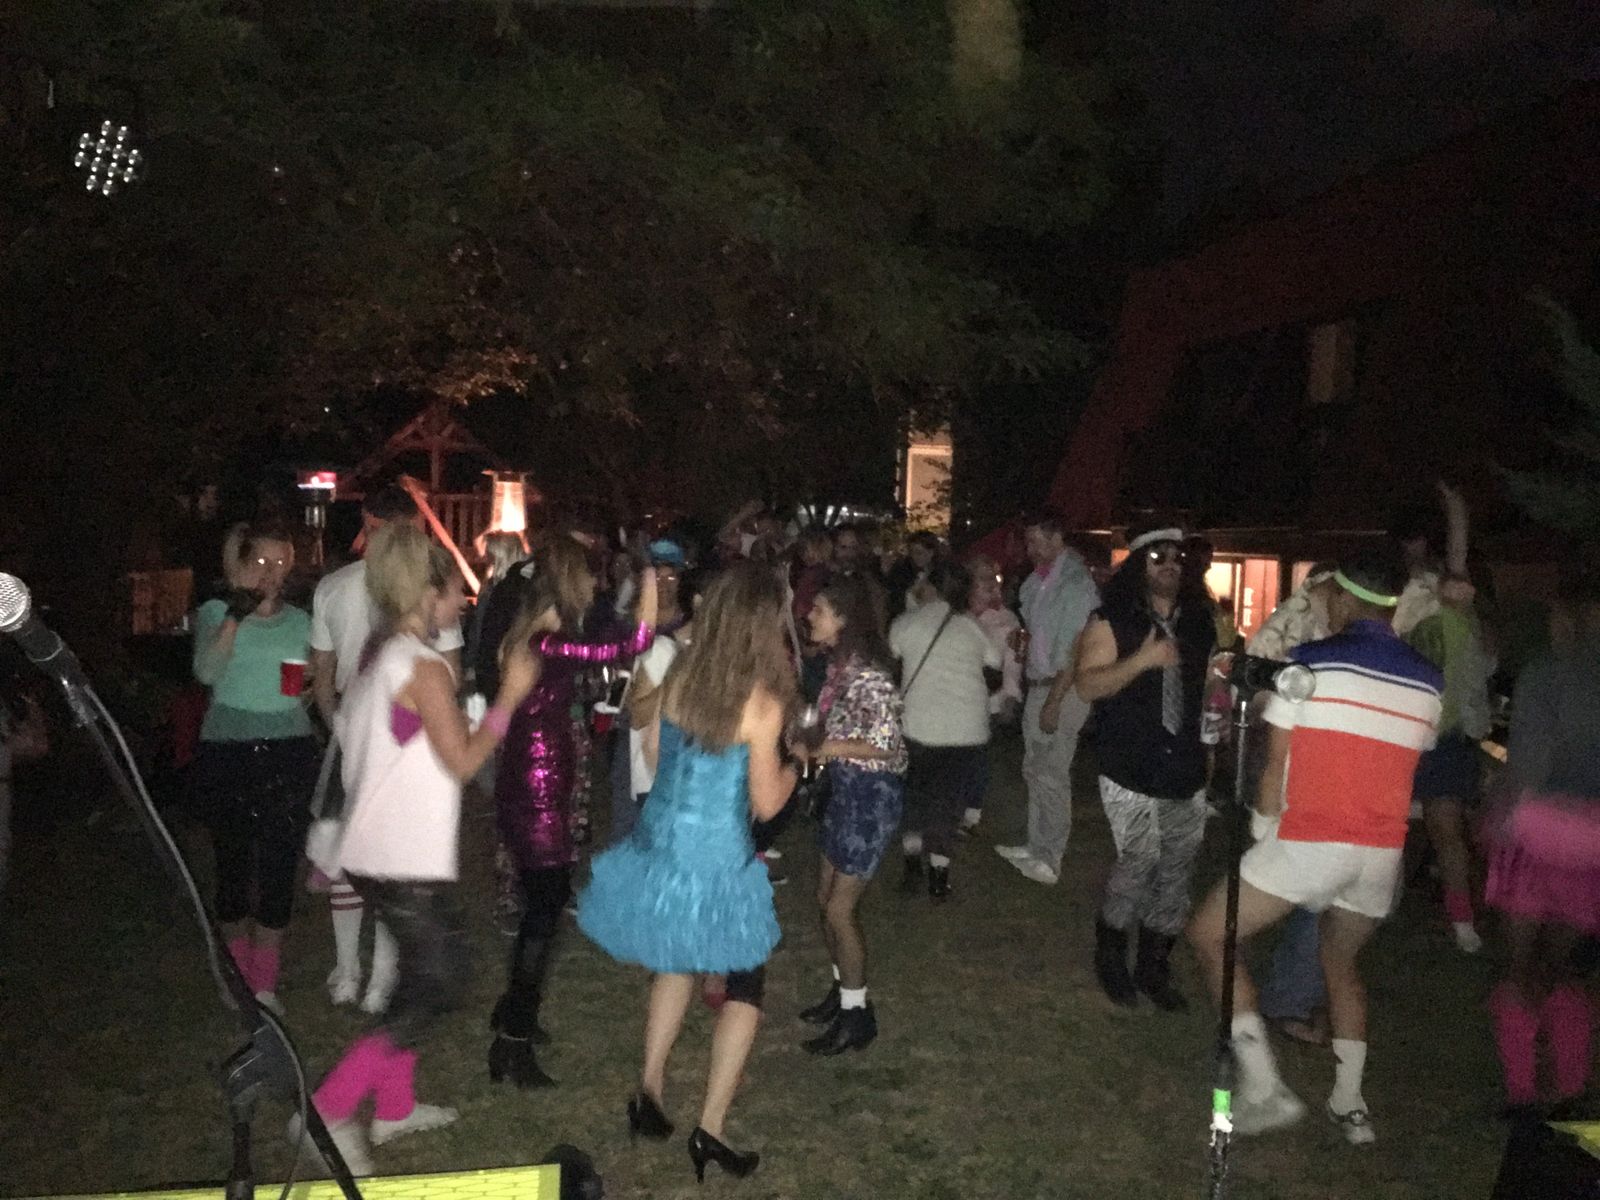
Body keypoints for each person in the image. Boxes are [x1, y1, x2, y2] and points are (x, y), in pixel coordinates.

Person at [295, 522, 536, 1175]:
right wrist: (510, 698)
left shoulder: (385, 656)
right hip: (397, 853)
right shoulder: (422, 668)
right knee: (438, 981)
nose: (461, 602)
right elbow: (463, 761)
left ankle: (395, 1106)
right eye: (455, 591)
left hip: (378, 848)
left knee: (419, 977)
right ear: (428, 594)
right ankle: (328, 1107)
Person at [1187, 546, 1442, 1145]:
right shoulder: (1429, 679)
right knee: (1341, 963)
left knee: (1209, 935)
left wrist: (1261, 831)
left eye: (1327, 594)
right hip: (1381, 852)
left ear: (1346, 597)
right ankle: (1351, 1105)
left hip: (1315, 838)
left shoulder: (1308, 664)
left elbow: (1275, 765)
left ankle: (1263, 1088)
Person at [576, 563, 797, 1183]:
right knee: (746, 981)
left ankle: (648, 1092)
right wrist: (798, 767)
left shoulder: (680, 674)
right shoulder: (761, 701)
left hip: (663, 842)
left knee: (675, 960)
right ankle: (712, 1128)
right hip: (716, 857)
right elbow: (768, 803)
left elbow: (651, 753)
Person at [488, 537, 657, 1088]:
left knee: (542, 906)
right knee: (545, 908)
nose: (594, 584)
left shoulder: (540, 635)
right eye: (587, 575)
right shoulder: (546, 643)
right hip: (537, 787)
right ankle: (512, 1042)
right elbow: (636, 641)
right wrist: (650, 578)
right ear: (568, 580)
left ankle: (513, 1014)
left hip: (537, 781)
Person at [310, 486, 465, 1011]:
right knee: (387, 865)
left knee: (357, 856)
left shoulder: (335, 586)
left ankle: (351, 973)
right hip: (402, 749)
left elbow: (323, 677)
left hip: (359, 740)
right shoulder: (421, 594)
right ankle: (374, 979)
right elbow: (449, 676)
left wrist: (341, 728)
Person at [1074, 524, 1216, 1011]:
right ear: (1138, 563)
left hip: (1185, 764)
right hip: (1129, 763)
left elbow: (1207, 686)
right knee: (1138, 861)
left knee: (1177, 869)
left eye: (1177, 556)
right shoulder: (1110, 620)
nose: (1170, 564)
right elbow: (1087, 686)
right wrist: (1142, 660)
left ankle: (1154, 965)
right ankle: (1111, 955)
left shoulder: (1199, 621)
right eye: (1158, 556)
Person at [1485, 556, 1600, 1120]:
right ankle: (1571, 1084)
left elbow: (1530, 761)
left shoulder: (1548, 673)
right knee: (1565, 967)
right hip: (1595, 841)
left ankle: (1524, 1091)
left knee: (1519, 967)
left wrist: (1497, 813)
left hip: (1537, 833)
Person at [191, 522, 318, 1014]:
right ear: (239, 564)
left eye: (281, 562)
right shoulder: (215, 611)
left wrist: (309, 684)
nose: (272, 573)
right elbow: (207, 672)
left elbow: (300, 684)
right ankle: (237, 977)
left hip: (287, 746)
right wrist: (236, 616)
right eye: (262, 562)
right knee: (234, 862)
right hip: (229, 748)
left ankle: (264, 982)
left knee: (280, 863)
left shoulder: (300, 620)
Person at [795, 575, 907, 1054]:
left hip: (871, 797)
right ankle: (843, 990)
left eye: (819, 609)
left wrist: (824, 748)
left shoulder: (870, 677)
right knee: (825, 900)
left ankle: (857, 1016)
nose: (809, 615)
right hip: (845, 791)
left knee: (840, 910)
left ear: (843, 619)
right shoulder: (840, 669)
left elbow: (886, 745)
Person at [1247, 564, 1339, 1049]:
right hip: (1298, 770)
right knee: (1314, 894)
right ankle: (1290, 999)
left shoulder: (1344, 628)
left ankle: (1292, 991)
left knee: (1313, 893)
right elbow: (1254, 684)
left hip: (1325, 774)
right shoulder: (1293, 624)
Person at [1406, 483, 1494, 954]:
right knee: (1400, 830)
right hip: (1403, 732)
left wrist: (1454, 502)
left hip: (1443, 737)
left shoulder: (1455, 602)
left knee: (1445, 830)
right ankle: (1385, 906)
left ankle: (1462, 921)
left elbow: (1457, 550)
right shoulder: (1404, 607)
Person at [995, 512, 1098, 885]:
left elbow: (1076, 650)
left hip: (1061, 688)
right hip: (1038, 683)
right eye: (1028, 541)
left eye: (1036, 541)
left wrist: (1055, 700)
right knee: (1035, 768)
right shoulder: (1036, 582)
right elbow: (1036, 630)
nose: (1030, 549)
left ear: (1057, 539)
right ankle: (1036, 845)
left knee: (1052, 772)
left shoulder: (1076, 584)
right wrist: (1022, 642)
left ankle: (1050, 858)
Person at [889, 561, 1000, 900]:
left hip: (919, 726)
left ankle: (912, 862)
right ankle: (939, 874)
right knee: (948, 802)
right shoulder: (971, 627)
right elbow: (994, 670)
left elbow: (893, 663)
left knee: (914, 795)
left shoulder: (906, 623)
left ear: (931, 587)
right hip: (965, 730)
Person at [960, 555, 1022, 837]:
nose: (991, 583)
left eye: (994, 577)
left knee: (978, 757)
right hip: (956, 697)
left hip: (989, 700)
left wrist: (1011, 695)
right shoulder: (958, 615)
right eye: (983, 577)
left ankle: (971, 812)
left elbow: (1014, 660)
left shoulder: (1007, 619)